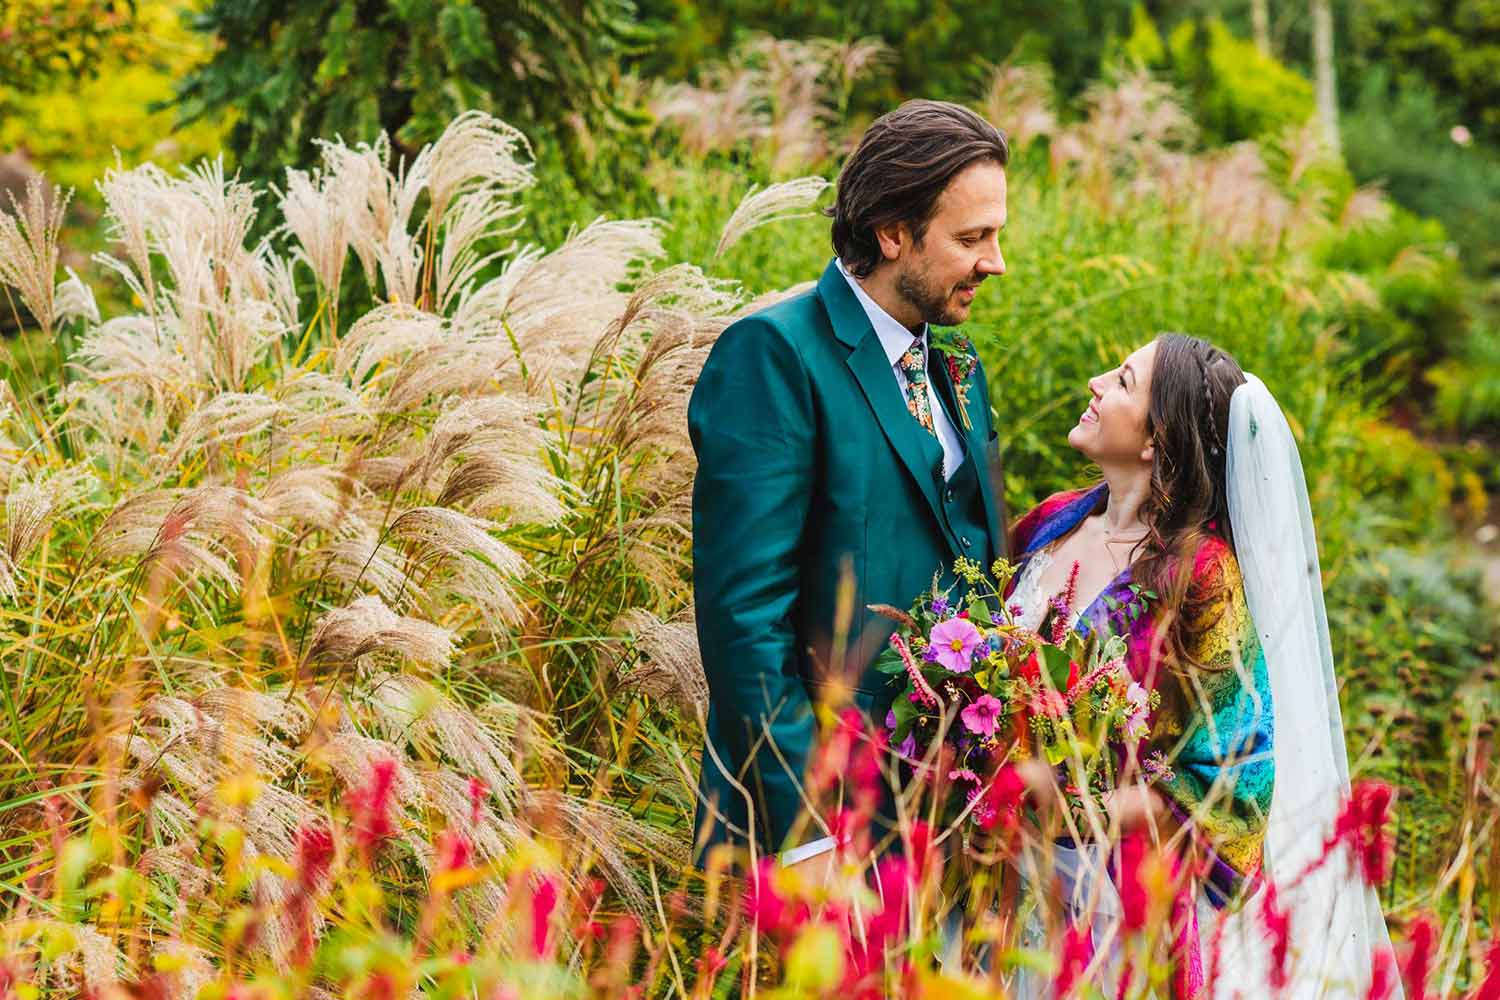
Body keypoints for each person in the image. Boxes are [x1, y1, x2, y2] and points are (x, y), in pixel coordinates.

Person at [1004, 333, 1400, 999]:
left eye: (1123, 381)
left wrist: (1071, 802)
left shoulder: (1202, 579)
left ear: (1157, 439)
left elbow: (1231, 792)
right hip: (1002, 884)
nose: (1097, 383)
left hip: (1112, 912)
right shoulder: (1048, 523)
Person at [688, 100, 1011, 873]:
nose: (996, 261)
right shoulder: (774, 355)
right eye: (972, 238)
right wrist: (806, 831)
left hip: (945, 821)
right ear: (892, 232)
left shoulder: (957, 366)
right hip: (815, 826)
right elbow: (743, 622)